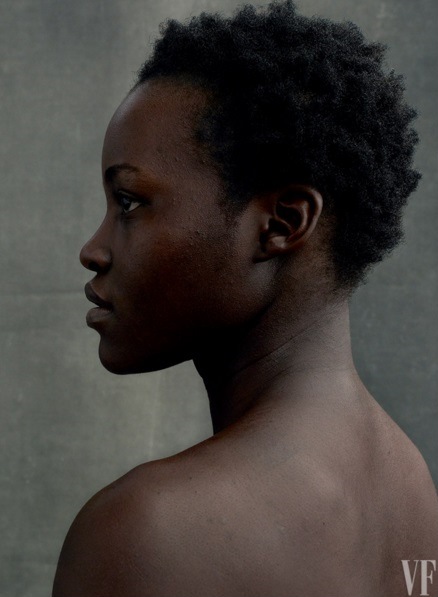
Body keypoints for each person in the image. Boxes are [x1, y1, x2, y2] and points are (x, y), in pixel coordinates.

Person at [52, 1, 438, 595]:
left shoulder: (150, 533)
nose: (93, 250)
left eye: (129, 203)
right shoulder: (412, 486)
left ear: (283, 222)